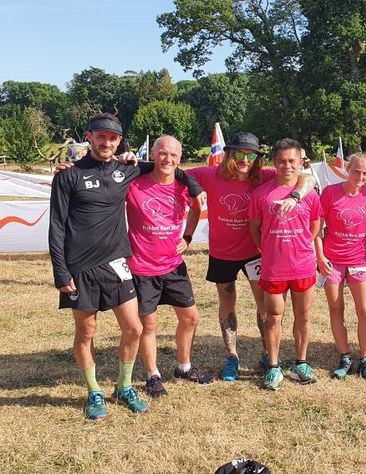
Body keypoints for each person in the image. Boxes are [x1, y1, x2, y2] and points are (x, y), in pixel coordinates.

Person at [49, 113, 203, 420]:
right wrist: (60, 271)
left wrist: (194, 185)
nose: (106, 142)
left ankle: (123, 386)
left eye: (113, 138)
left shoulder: (126, 170)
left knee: (134, 328)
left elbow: (167, 167)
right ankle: (94, 392)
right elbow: (56, 226)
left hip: (118, 263)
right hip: (80, 266)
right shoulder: (68, 176)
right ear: (89, 136)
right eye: (101, 136)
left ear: (119, 141)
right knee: (86, 332)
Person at [187, 132, 314, 382]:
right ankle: (232, 356)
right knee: (227, 302)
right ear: (229, 154)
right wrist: (195, 189)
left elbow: (306, 177)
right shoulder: (209, 174)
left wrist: (296, 195)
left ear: (258, 159)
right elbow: (176, 171)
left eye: (251, 155)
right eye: (239, 154)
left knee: (265, 307)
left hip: (255, 254)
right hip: (222, 253)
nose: (245, 160)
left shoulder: (265, 175)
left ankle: (268, 354)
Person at [126, 136, 213, 398]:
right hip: (142, 267)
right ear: (153, 154)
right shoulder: (134, 183)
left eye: (174, 155)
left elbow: (197, 210)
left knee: (191, 317)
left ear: (180, 158)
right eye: (163, 153)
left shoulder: (184, 187)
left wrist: (187, 237)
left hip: (174, 265)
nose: (168, 159)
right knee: (148, 325)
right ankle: (153, 375)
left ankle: (184, 367)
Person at [248, 138, 322, 389]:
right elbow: (255, 229)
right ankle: (273, 366)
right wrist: (271, 249)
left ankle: (301, 362)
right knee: (273, 317)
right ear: (274, 163)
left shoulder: (309, 194)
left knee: (303, 317)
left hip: (302, 266)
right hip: (273, 267)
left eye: (292, 161)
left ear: (300, 162)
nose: (287, 166)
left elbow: (315, 227)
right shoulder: (262, 194)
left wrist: (298, 245)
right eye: (282, 161)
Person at [315, 153, 366, 379]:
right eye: (356, 171)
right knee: (336, 310)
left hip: (359, 261)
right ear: (347, 170)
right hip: (332, 262)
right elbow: (317, 229)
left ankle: (365, 357)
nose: (360, 176)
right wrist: (320, 257)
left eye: (365, 172)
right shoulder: (330, 193)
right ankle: (344, 355)